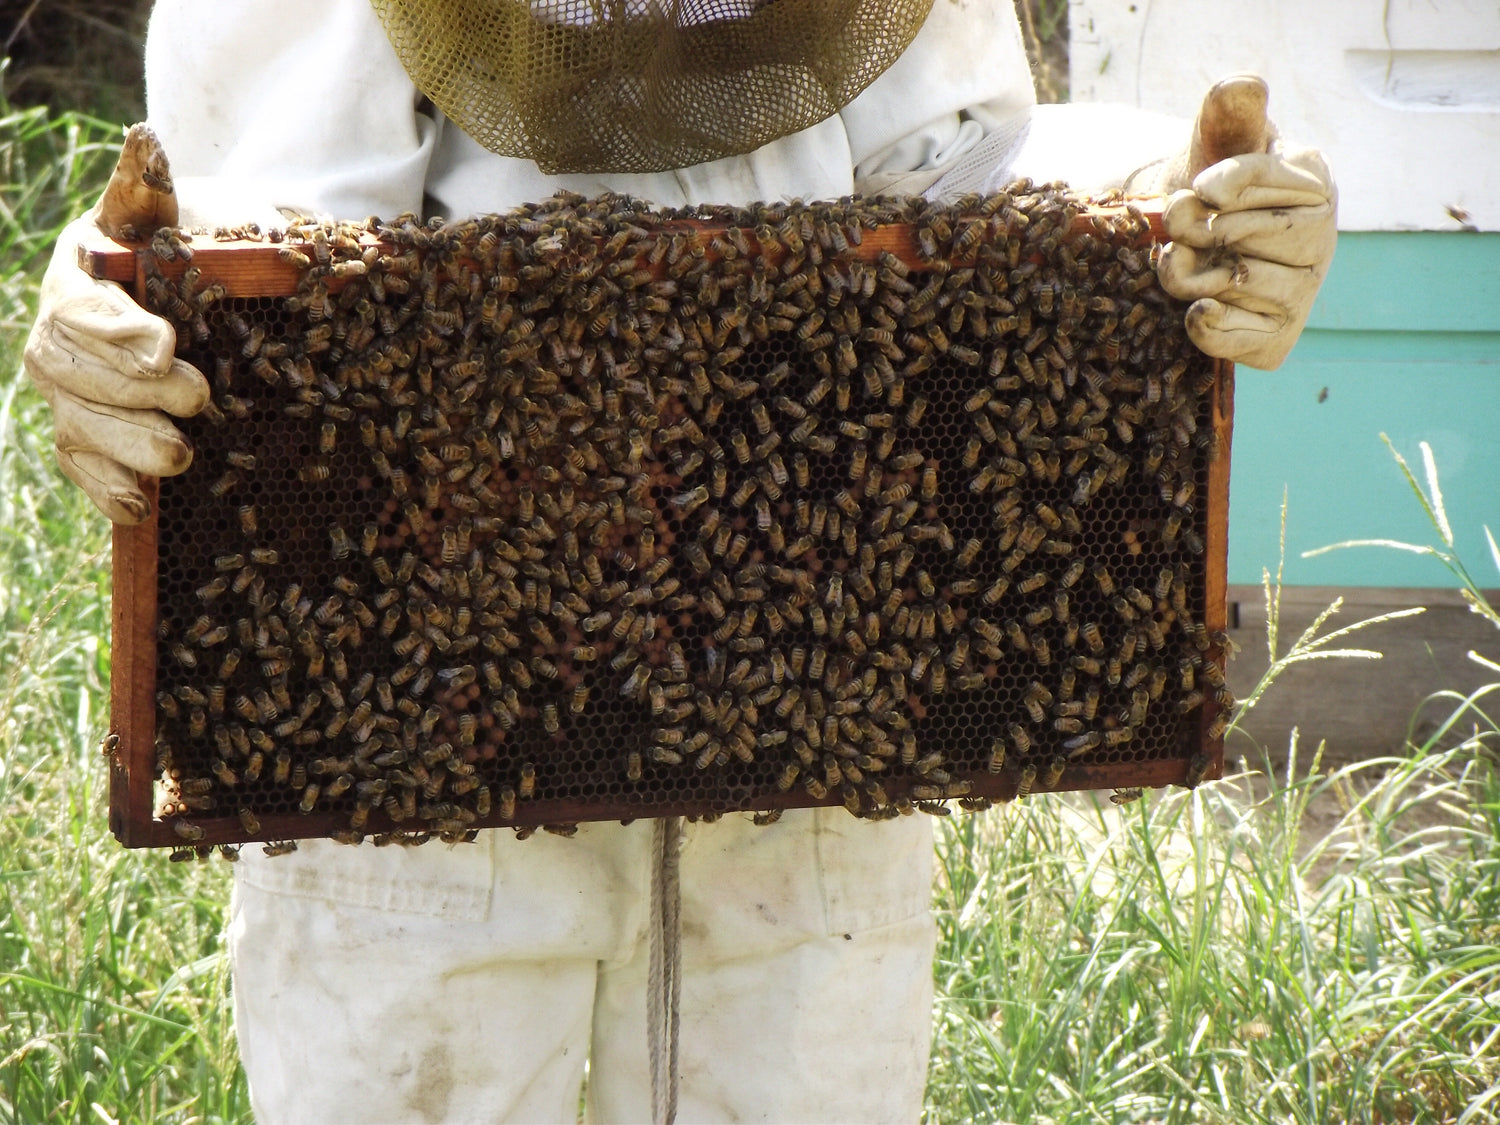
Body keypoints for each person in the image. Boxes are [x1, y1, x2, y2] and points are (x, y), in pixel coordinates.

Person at [24, 2, 1336, 1120]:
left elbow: (967, 183)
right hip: (422, 755)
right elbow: (254, 247)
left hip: (810, 746)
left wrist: (1186, 205)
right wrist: (109, 293)